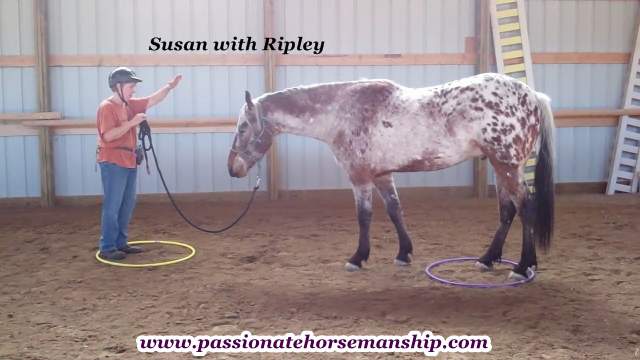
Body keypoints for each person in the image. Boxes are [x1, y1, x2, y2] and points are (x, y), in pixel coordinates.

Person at [96, 67, 182, 260]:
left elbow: (153, 99)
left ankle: (120, 243)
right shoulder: (106, 107)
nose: (133, 89)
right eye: (131, 86)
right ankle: (107, 247)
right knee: (113, 205)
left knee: (127, 204)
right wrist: (132, 123)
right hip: (113, 161)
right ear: (118, 86)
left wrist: (170, 87)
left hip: (129, 160)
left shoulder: (129, 105)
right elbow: (108, 136)